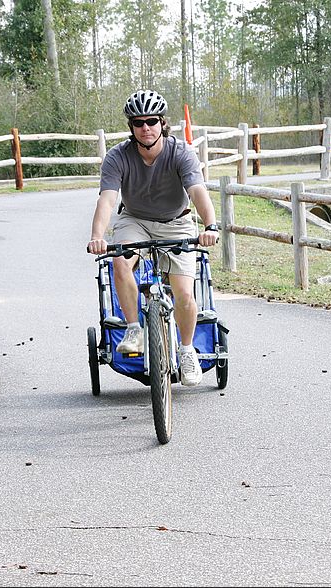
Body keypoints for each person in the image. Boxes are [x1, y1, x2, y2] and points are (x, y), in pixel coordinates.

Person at [87, 90, 219, 387]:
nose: (145, 128)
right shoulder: (117, 157)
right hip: (135, 220)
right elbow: (107, 200)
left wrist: (210, 225)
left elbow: (198, 191)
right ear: (131, 127)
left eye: (151, 121)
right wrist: (97, 236)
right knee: (120, 262)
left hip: (177, 222)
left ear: (162, 123)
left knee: (184, 292)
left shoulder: (181, 152)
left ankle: (186, 351)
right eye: (138, 123)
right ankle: (134, 329)